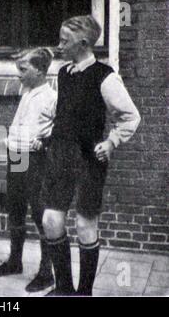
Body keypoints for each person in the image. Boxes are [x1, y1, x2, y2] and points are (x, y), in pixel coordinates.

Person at [41, 15, 141, 296]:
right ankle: (63, 288)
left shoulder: (104, 75)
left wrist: (111, 141)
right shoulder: (63, 73)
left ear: (83, 43)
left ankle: (84, 292)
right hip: (61, 154)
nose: (59, 45)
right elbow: (64, 112)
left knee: (85, 223)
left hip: (89, 158)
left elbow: (130, 116)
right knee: (51, 220)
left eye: (65, 40)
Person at [0, 48, 57, 293]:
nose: (19, 75)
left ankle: (46, 272)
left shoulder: (52, 97)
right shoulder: (26, 93)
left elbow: (61, 131)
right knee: (15, 208)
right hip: (16, 158)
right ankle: (15, 262)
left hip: (36, 161)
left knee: (40, 214)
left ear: (40, 70)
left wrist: (47, 141)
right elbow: (21, 129)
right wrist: (2, 143)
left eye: (23, 69)